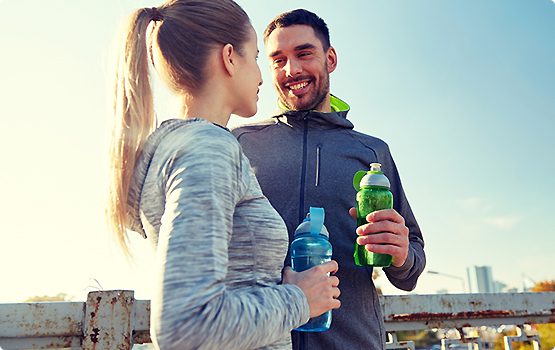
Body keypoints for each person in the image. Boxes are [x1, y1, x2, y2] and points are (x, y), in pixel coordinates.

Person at [105, 2, 341, 349]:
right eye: (257, 57)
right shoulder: (209, 148)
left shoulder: (177, 145)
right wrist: (298, 299)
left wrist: (279, 286)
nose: (263, 76)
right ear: (230, 57)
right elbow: (186, 326)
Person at [232, 9, 426, 350]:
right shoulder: (239, 143)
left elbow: (411, 265)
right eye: (278, 60)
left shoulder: (372, 151)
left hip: (354, 342)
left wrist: (400, 255)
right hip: (257, 340)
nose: (292, 70)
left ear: (330, 58)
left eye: (304, 54)